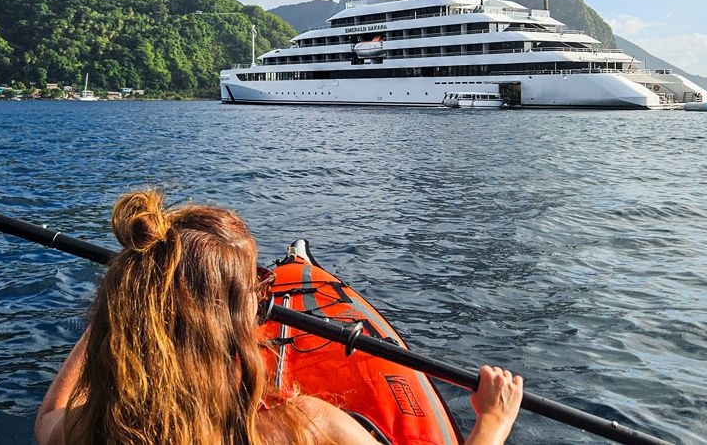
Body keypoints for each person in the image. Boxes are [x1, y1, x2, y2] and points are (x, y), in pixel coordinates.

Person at [35, 189, 523, 444]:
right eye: (258, 281)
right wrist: (493, 423)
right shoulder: (303, 427)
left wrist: (124, 310)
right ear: (226, 320)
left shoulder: (97, 429)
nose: (266, 290)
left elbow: (47, 421)